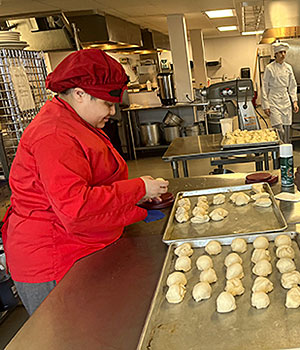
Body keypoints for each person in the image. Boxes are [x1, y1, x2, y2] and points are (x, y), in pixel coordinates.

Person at [1, 49, 169, 315]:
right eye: (107, 104)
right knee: (70, 337)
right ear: (79, 94)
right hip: (53, 258)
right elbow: (75, 208)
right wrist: (137, 189)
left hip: (78, 245)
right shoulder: (55, 134)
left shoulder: (75, 121)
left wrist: (135, 198)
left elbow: (93, 179)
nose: (113, 112)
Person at [261, 42, 299, 143]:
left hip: (285, 100)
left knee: (287, 129)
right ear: (275, 54)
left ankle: (287, 151)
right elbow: (264, 87)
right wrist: (266, 106)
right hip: (274, 100)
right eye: (280, 52)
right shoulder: (269, 68)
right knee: (278, 128)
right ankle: (279, 150)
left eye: (284, 52)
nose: (283, 55)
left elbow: (292, 85)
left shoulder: (288, 68)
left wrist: (294, 101)